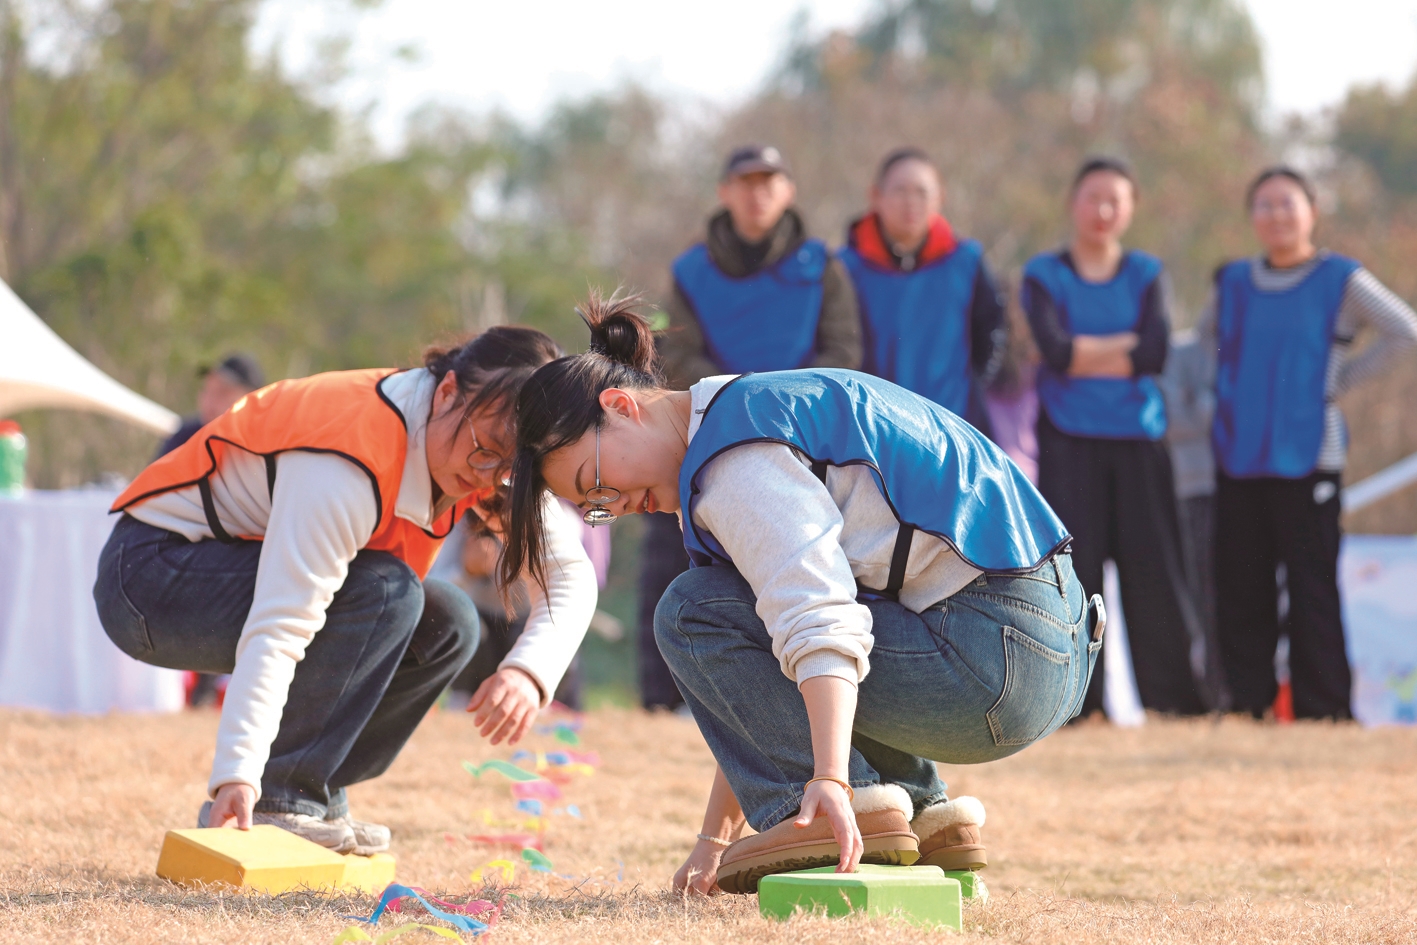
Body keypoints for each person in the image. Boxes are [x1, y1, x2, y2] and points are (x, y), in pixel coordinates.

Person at [502, 295, 1101, 895]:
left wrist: (830, 783)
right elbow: (757, 699)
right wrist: (715, 841)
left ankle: (850, 805)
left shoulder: (736, 459)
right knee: (737, 618)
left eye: (596, 483)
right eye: (595, 510)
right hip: (1040, 643)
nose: (616, 506)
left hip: (999, 653)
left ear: (621, 407)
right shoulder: (748, 412)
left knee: (691, 610)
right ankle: (923, 818)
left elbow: (819, 616)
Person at [93, 327, 597, 854]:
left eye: (509, 465)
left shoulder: (484, 445)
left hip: (233, 579)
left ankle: (317, 790)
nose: (488, 479)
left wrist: (527, 671)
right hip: (150, 582)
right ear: (447, 391)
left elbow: (570, 574)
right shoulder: (350, 453)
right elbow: (282, 625)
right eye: (486, 452)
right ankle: (282, 798)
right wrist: (238, 775)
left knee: (448, 623)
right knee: (388, 591)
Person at [640, 144, 863, 711]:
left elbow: (842, 350)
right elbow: (673, 352)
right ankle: (661, 698)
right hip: (706, 430)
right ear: (725, 192)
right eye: (745, 181)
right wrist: (737, 399)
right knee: (675, 559)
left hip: (804, 439)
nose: (757, 192)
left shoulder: (823, 266)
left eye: (769, 181)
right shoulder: (690, 271)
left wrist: (779, 403)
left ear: (787, 190)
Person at [1202, 166, 1417, 720]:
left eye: (1287, 204)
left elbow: (1404, 329)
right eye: (1264, 205)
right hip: (1239, 454)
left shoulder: (1341, 279)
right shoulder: (1234, 282)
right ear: (1252, 216)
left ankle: (1325, 711)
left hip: (1310, 458)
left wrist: (1338, 380)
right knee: (1241, 589)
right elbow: (1205, 344)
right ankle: (1248, 707)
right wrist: (1213, 395)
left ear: (1311, 212)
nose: (1276, 215)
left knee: (1312, 588)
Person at [1021, 156, 1205, 717]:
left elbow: (1154, 354)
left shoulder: (1146, 272)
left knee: (1157, 574)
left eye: (1114, 200)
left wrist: (1085, 351)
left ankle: (1174, 704)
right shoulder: (1044, 274)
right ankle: (1078, 709)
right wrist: (1116, 346)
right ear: (1072, 203)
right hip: (1068, 441)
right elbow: (1054, 351)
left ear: (1130, 209)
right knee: (1076, 579)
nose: (1102, 210)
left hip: (1139, 441)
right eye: (1092, 197)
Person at [839, 147, 1006, 431]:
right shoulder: (846, 267)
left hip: (954, 428)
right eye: (900, 190)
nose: (911, 202)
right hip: (870, 429)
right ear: (876, 196)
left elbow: (990, 333)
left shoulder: (966, 261)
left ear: (940, 197)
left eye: (921, 192)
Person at [1157, 330, 1228, 709]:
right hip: (1189, 488)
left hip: (1240, 489)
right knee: (1198, 599)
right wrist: (1212, 406)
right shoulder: (1182, 350)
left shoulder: (1244, 348)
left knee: (1232, 599)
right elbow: (1169, 417)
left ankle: (1229, 691)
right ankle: (1206, 695)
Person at [157, 353, 266, 458]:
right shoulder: (186, 436)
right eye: (207, 389)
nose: (210, 400)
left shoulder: (265, 448)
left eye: (222, 392)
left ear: (252, 400)